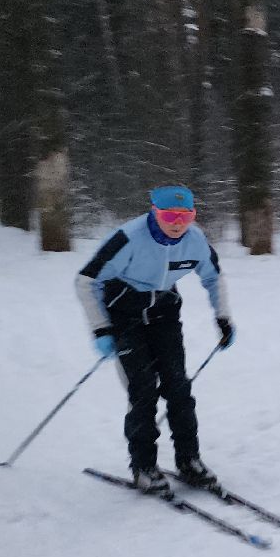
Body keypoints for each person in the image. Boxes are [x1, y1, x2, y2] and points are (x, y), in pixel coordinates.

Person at [75, 185, 236, 494]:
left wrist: (223, 318)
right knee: (143, 390)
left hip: (163, 313)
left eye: (185, 215)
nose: (177, 222)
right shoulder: (129, 237)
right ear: (154, 211)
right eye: (169, 215)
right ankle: (143, 466)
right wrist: (101, 329)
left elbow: (214, 277)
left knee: (179, 389)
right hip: (124, 315)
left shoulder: (195, 240)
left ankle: (189, 461)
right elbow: (86, 281)